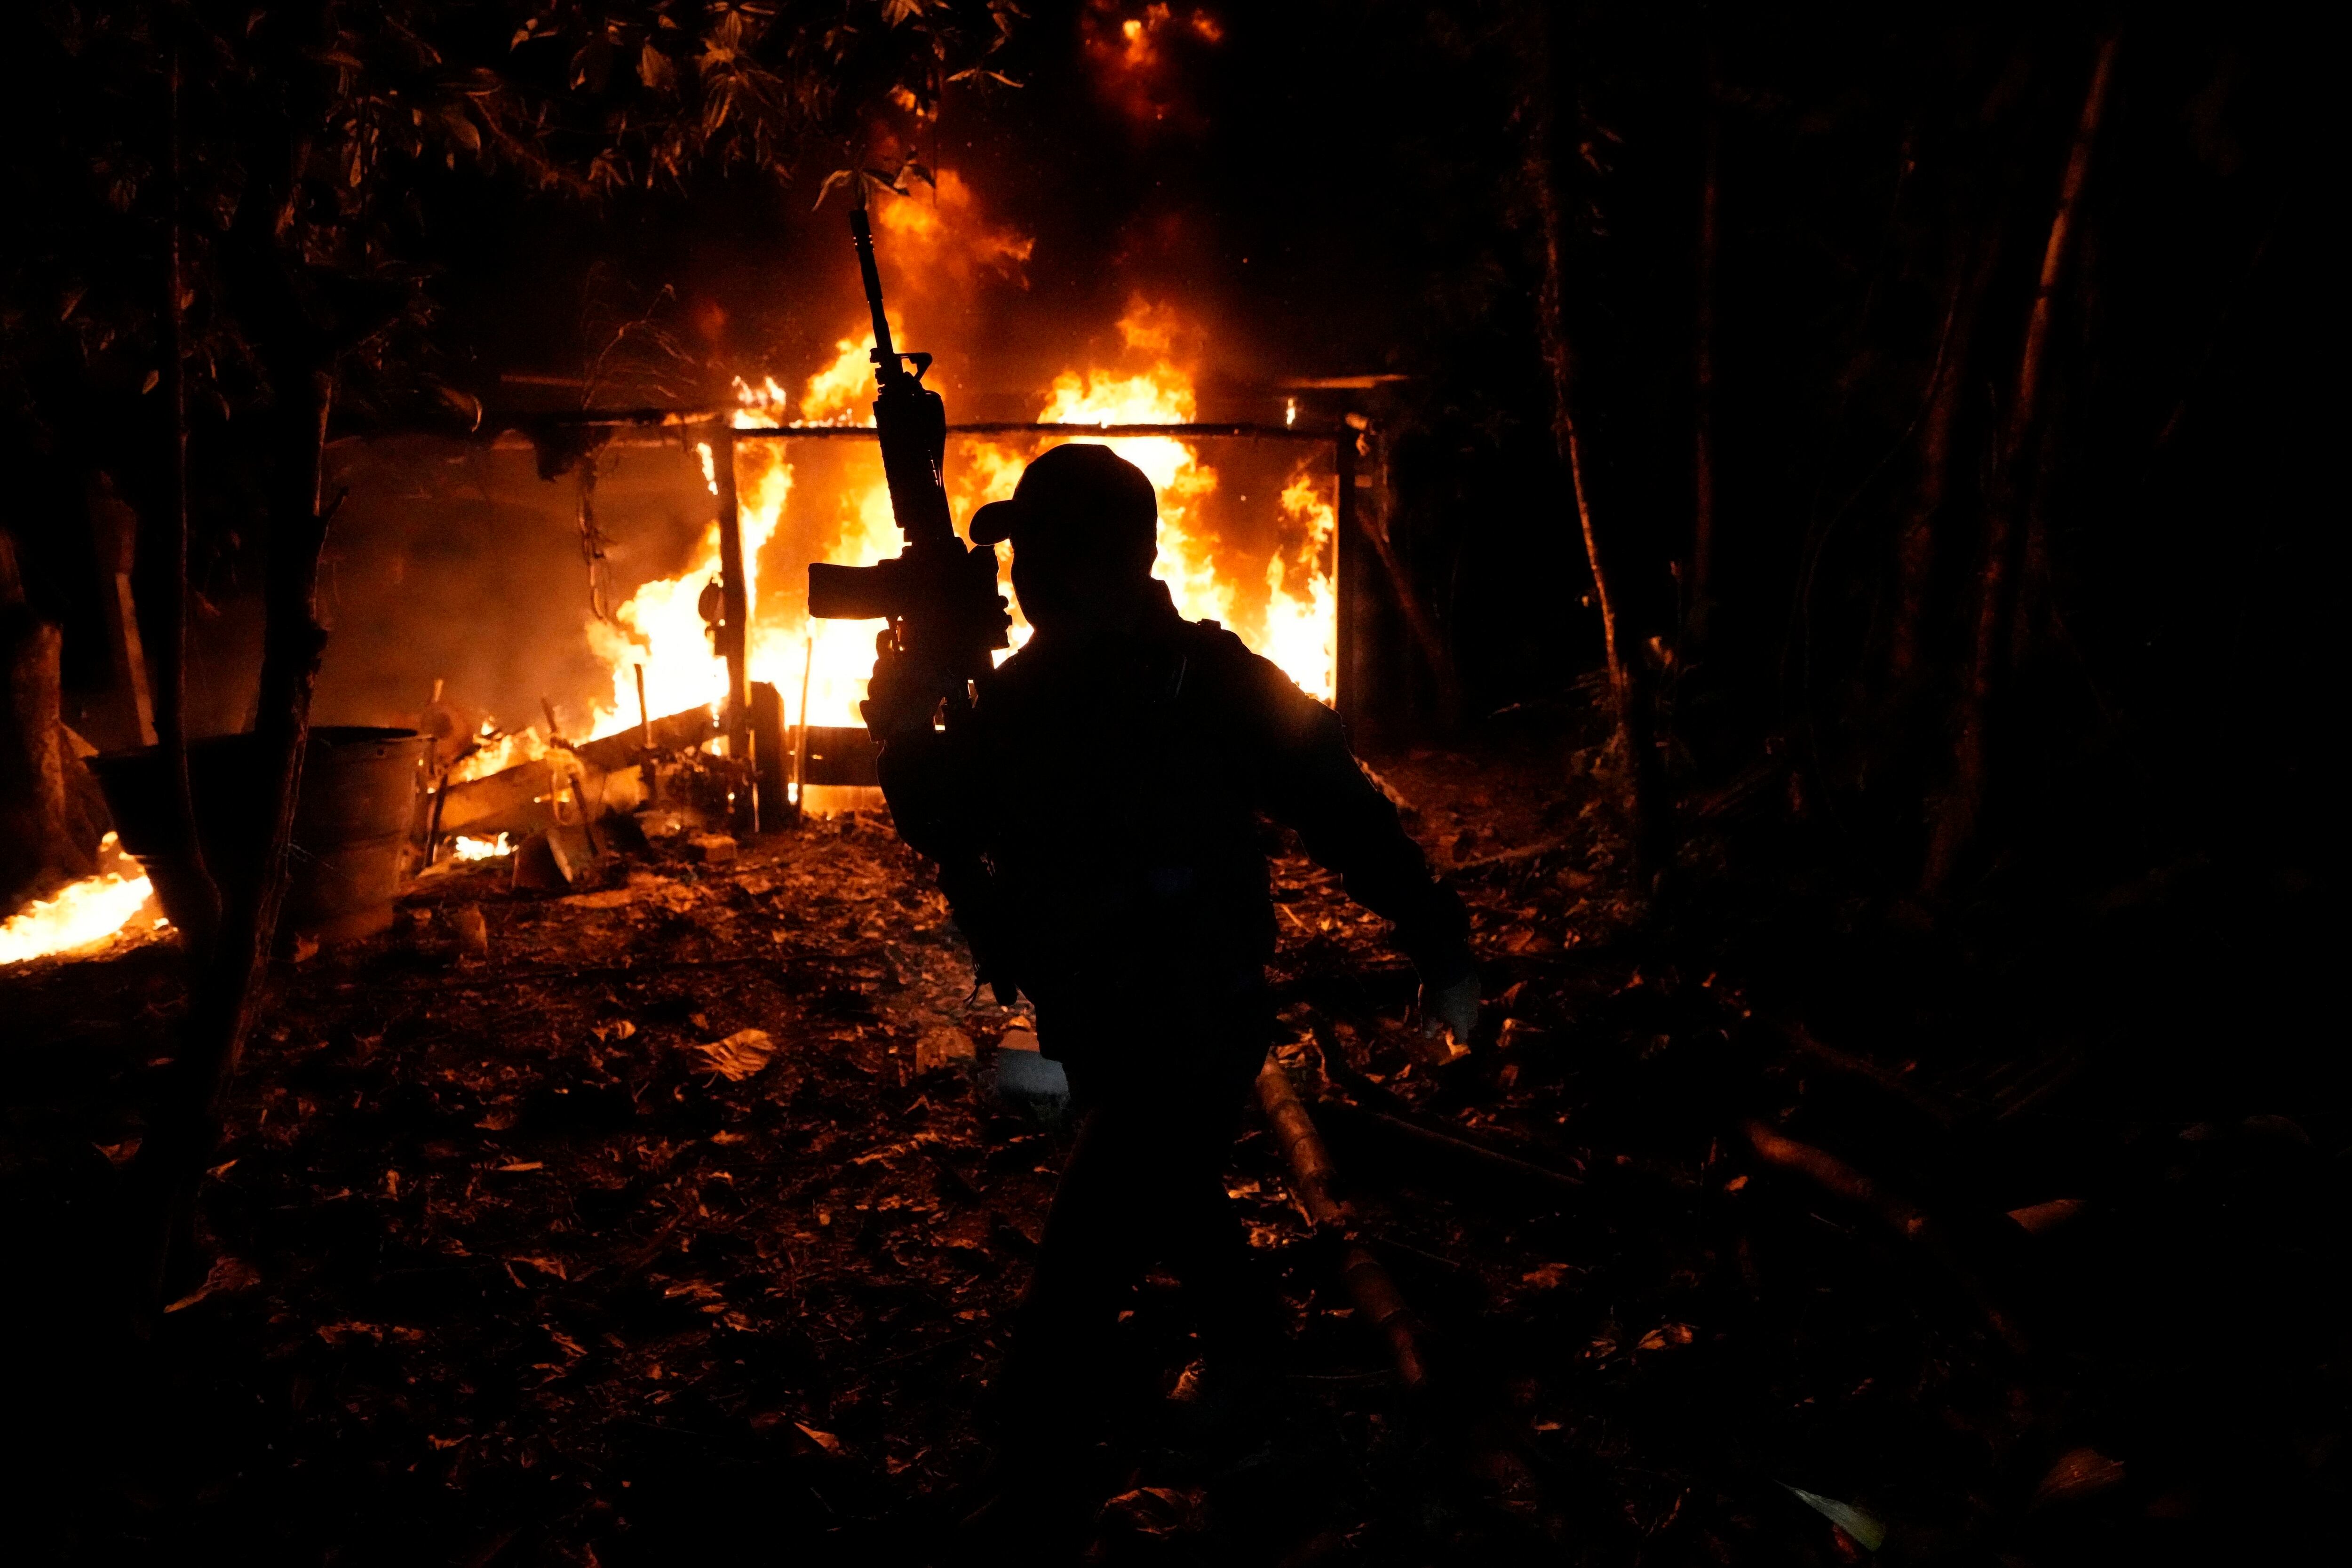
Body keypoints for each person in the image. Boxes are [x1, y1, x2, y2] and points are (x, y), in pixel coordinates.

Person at [861, 442, 1477, 1536]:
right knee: (1178, 1196)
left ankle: (1031, 1482)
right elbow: (945, 817)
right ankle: (1251, 1359)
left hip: (1181, 1031)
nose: (1017, 576)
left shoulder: (1155, 684)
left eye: (1034, 551)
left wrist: (1438, 938)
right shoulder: (1063, 688)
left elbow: (1338, 805)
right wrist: (907, 716)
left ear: (1075, 561)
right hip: (1115, 1016)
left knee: (1077, 1277)